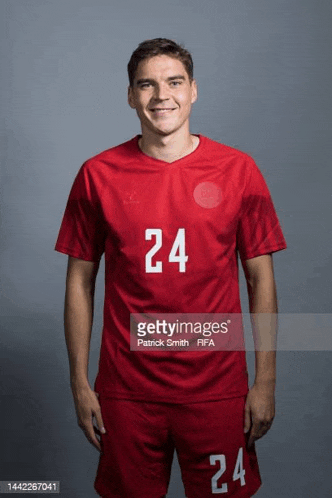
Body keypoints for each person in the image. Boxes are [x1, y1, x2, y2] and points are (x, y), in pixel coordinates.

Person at [54, 38, 287, 498]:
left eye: (174, 82)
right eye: (147, 84)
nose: (162, 96)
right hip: (127, 391)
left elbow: (261, 279)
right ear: (130, 95)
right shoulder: (97, 174)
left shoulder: (239, 170)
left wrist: (265, 382)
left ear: (194, 90)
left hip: (218, 390)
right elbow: (80, 282)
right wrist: (80, 384)